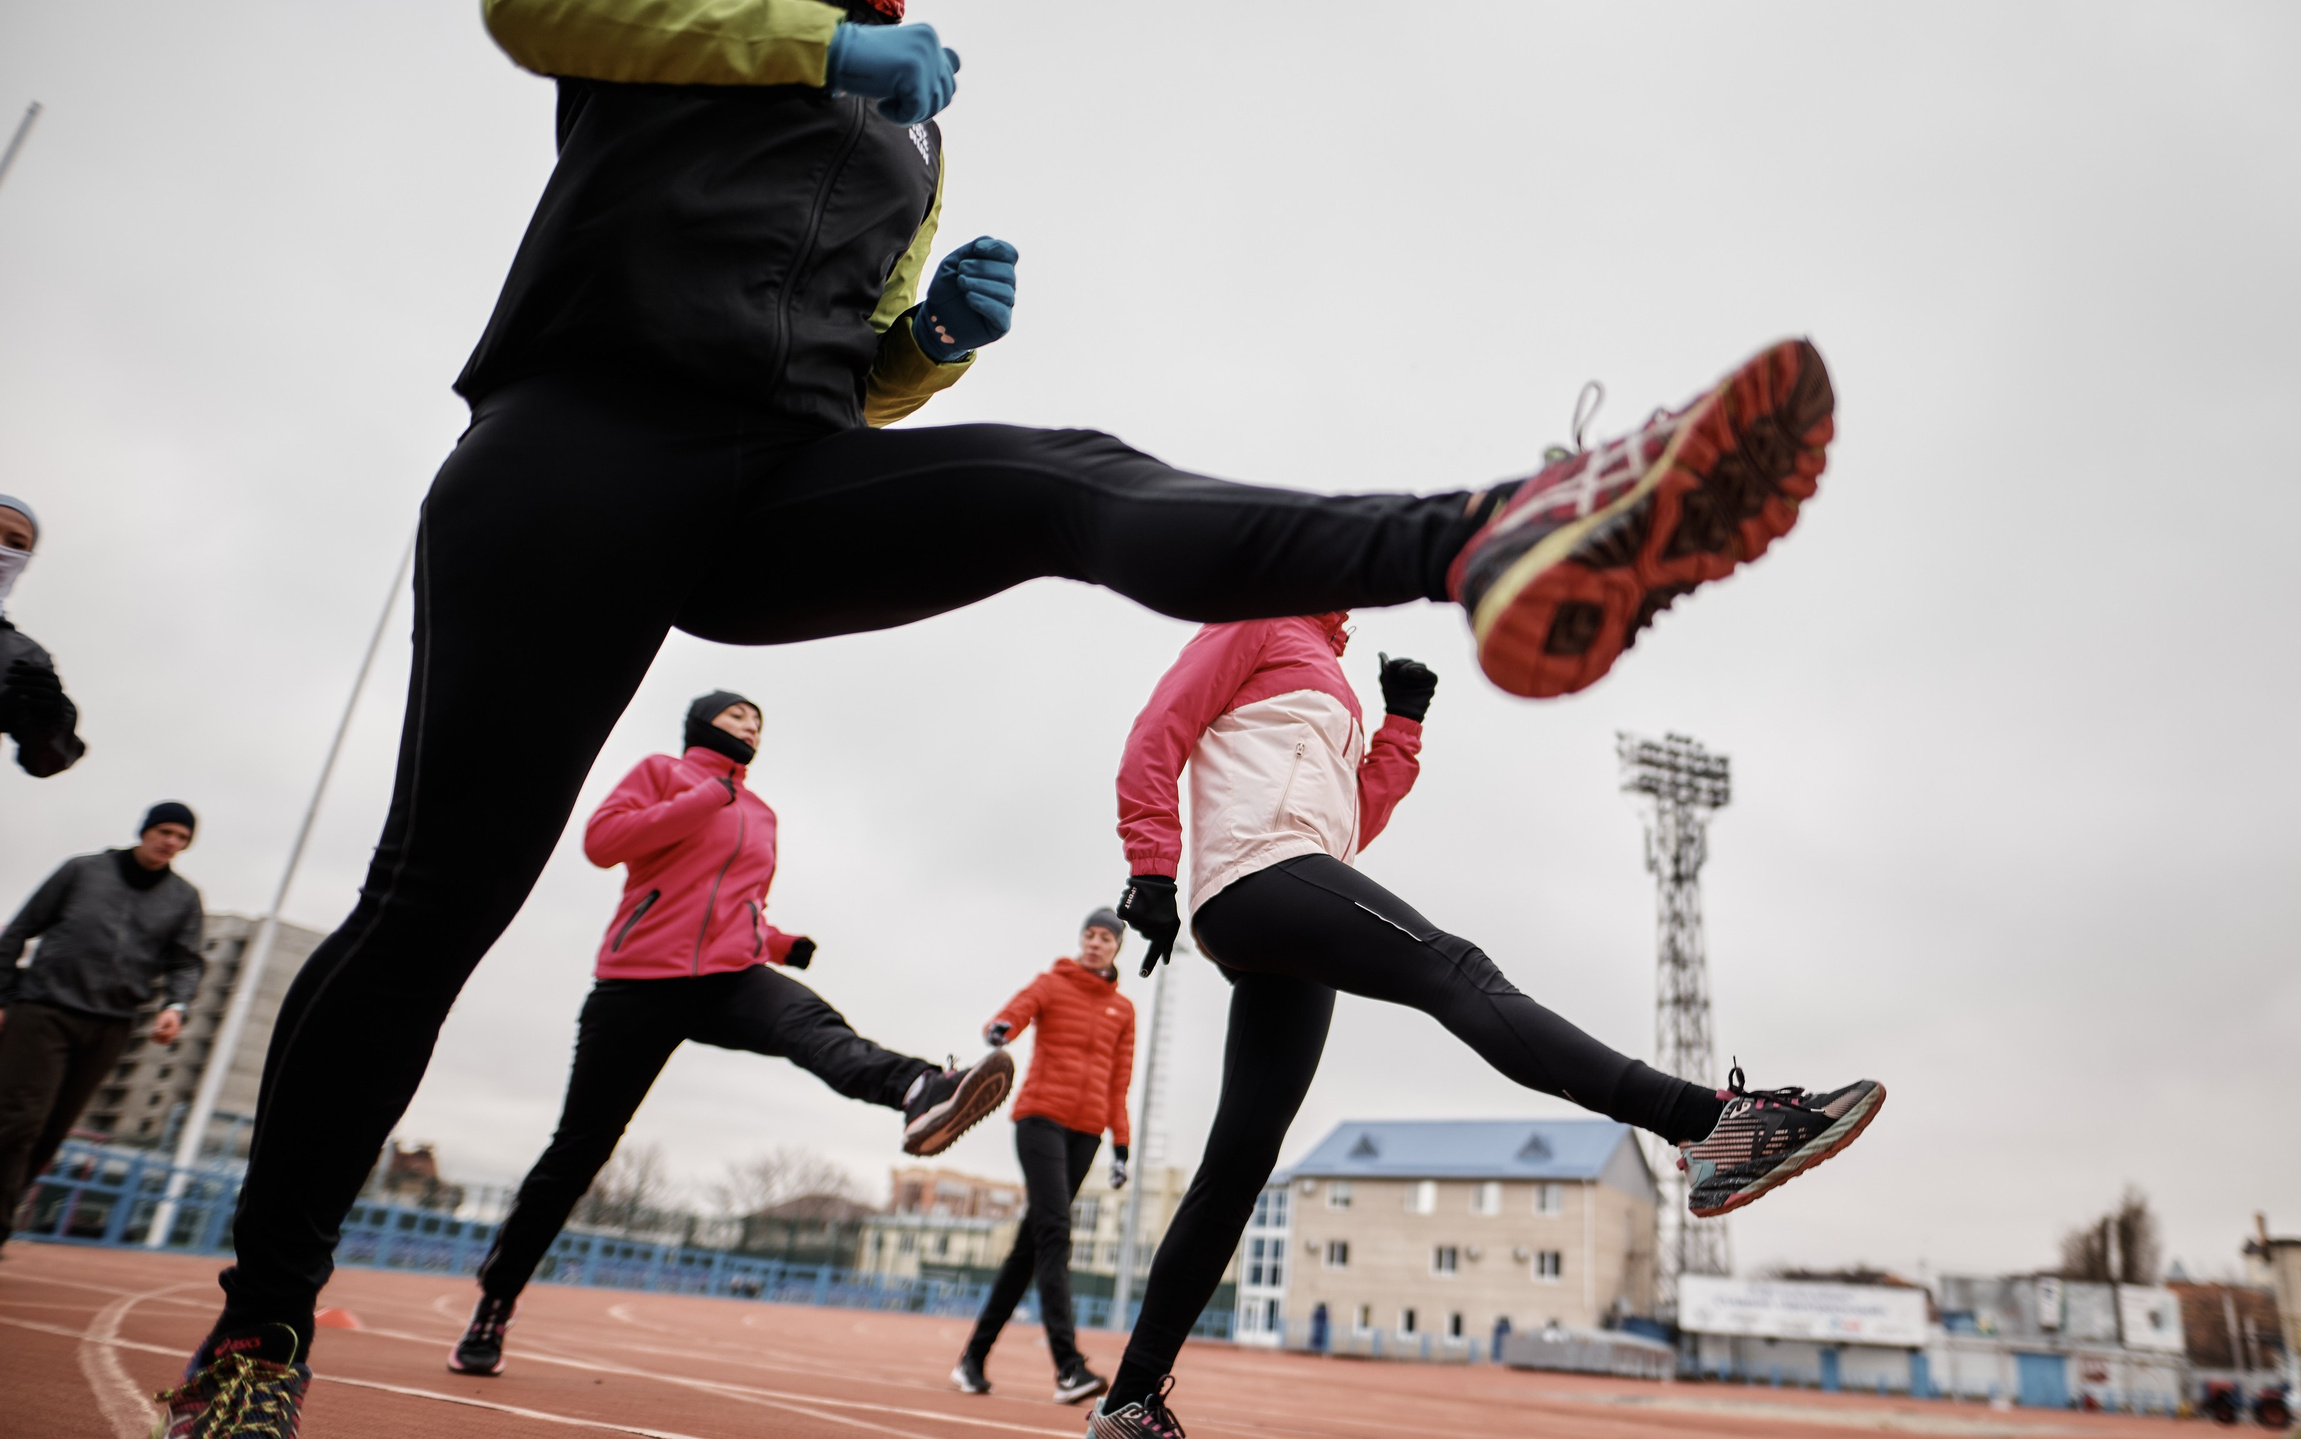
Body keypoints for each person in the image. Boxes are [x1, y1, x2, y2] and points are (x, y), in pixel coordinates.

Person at [159, 0, 1837, 1425]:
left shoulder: (917, 127)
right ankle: (263, 1318)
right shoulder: (792, 31)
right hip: (580, 442)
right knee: (437, 903)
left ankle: (1491, 527)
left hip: (774, 476)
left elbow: (836, 359)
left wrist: (925, 348)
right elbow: (532, 10)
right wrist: (816, 43)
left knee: (1072, 480)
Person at [1083, 618, 1885, 1437]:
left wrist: (1401, 727)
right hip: (1259, 874)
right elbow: (1159, 729)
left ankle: (1130, 1401)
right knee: (1457, 972)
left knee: (1239, 1160)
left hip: (1288, 890)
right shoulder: (1257, 618)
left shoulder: (1332, 669)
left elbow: (1349, 826)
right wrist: (1151, 862)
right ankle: (1705, 1123)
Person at [443, 691, 1012, 1377]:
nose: (751, 728)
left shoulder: (761, 811)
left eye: (759, 723)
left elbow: (735, 905)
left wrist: (778, 941)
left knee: (810, 1024)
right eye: (738, 717)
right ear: (703, 723)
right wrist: (702, 797)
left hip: (725, 974)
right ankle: (495, 1302)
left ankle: (923, 1087)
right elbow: (604, 842)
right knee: (580, 1149)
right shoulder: (665, 774)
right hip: (636, 981)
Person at [953, 908, 1136, 1405]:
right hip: (1040, 1119)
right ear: (1081, 940)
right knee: (1055, 1232)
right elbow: (1018, 1010)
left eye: (1106, 937)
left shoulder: (1124, 1010)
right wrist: (1000, 1031)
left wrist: (1121, 1145)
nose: (1096, 943)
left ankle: (972, 1359)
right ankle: (1068, 1368)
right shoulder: (1051, 984)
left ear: (1117, 946)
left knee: (1029, 1248)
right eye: (1090, 935)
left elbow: (1120, 1082)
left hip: (1087, 1132)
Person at [0, 804, 201, 1250]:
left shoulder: (183, 899)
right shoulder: (83, 871)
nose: (171, 842)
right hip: (44, 1010)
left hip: (111, 1024)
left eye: (182, 838)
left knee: (53, 1131)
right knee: (18, 1121)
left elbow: (185, 962)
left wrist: (176, 1004)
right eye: (165, 831)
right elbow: (20, 930)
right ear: (145, 830)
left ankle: (4, 1209)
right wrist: (3, 994)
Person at [0, 495, 86, 779]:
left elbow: (45, 761)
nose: (2, 549)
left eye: (16, 544)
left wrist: (51, 718)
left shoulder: (20, 656)